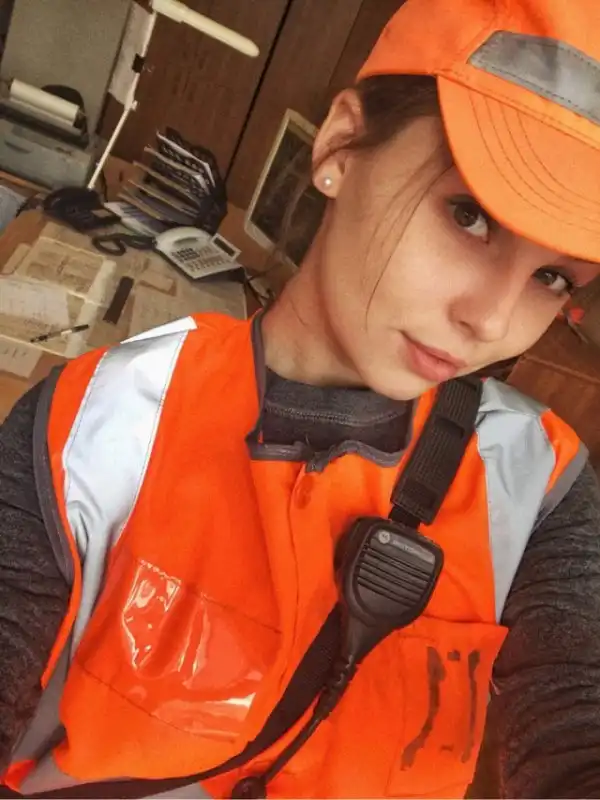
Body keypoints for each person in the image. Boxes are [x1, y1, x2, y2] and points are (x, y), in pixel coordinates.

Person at [2, 0, 600, 797]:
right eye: (470, 216)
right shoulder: (99, 427)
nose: (491, 320)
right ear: (340, 146)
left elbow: (575, 720)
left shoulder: (536, 485)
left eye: (552, 278)